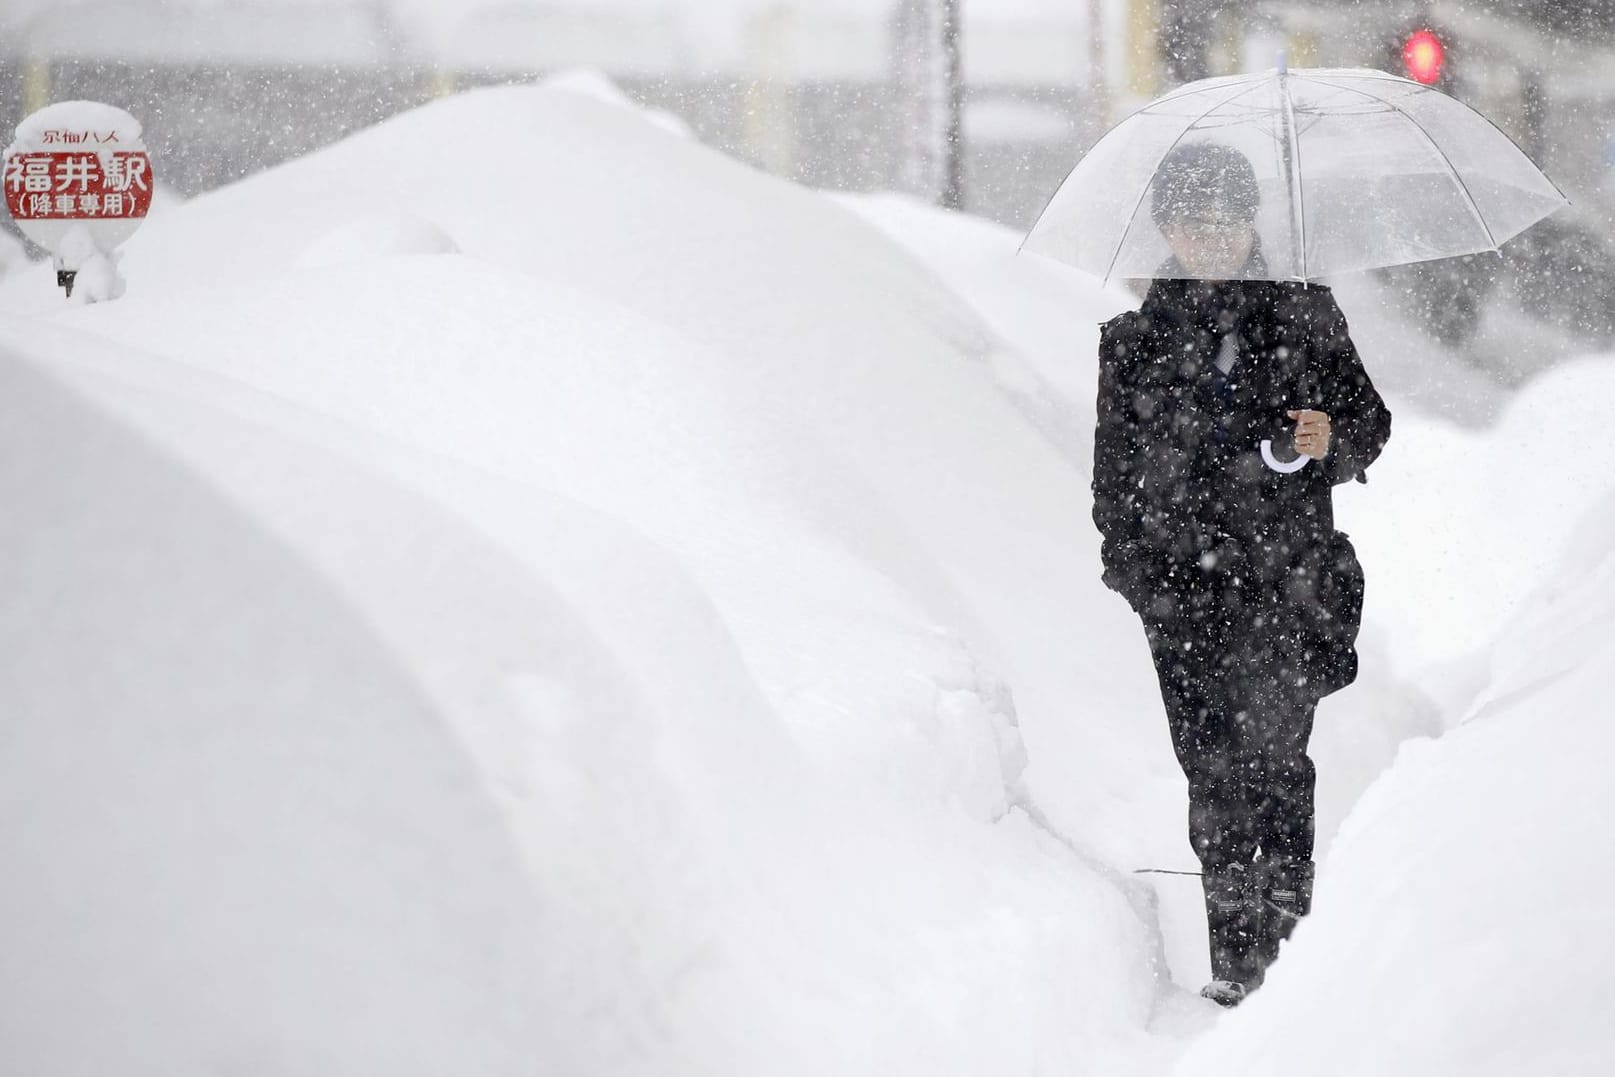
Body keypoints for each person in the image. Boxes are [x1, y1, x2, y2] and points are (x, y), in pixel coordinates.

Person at [1091, 142, 1392, 1007]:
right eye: (1188, 221)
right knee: (1210, 767)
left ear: (1252, 220)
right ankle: (1235, 958)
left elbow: (1368, 422)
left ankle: (1289, 940)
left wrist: (1327, 436)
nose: (1207, 238)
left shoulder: (1305, 315)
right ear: (1164, 228)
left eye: (1223, 218)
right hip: (1182, 593)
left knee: (1274, 757)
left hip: (1286, 582)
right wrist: (1139, 570)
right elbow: (1113, 480)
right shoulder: (1135, 342)